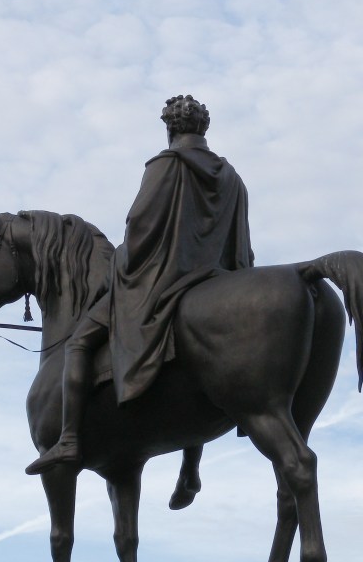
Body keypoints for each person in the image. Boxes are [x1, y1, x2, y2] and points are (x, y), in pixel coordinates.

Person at [26, 94, 254, 475]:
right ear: (203, 128)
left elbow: (141, 227)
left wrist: (116, 261)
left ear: (169, 128)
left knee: (79, 343)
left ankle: (67, 439)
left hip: (163, 279)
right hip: (215, 279)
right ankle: (191, 466)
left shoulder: (166, 164)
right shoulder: (232, 178)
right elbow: (240, 241)